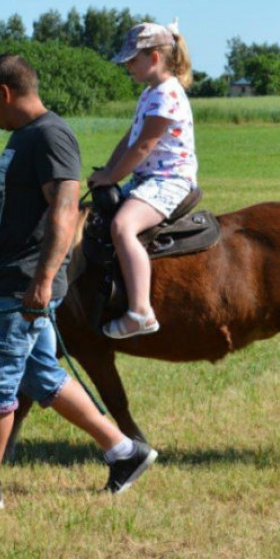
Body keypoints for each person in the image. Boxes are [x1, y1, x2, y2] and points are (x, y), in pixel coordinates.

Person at [0, 53, 157, 512]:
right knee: (42, 375)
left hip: (22, 284)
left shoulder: (51, 136)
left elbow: (63, 211)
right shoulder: (24, 138)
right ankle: (124, 452)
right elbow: (1, 210)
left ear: (5, 93)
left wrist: (43, 279)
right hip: (11, 278)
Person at [87, 20, 197, 340]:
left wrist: (112, 175)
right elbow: (130, 139)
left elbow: (146, 145)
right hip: (148, 177)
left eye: (131, 60)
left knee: (122, 227)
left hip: (169, 179)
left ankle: (140, 312)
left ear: (154, 58)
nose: (127, 67)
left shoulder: (167, 94)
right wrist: (105, 174)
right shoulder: (150, 93)